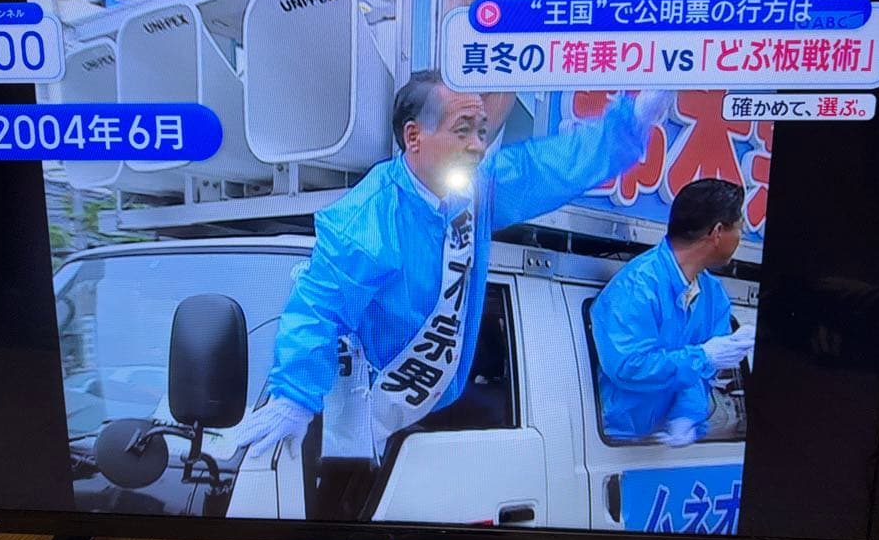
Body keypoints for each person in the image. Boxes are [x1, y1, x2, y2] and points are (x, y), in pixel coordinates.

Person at [232, 70, 673, 461]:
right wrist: (294, 397)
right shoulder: (366, 220)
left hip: (441, 403)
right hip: (370, 420)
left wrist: (631, 122)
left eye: (481, 131)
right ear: (414, 137)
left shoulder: (470, 191)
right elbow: (317, 310)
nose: (478, 146)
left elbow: (547, 168)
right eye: (463, 131)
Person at [592, 179, 756, 447]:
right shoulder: (637, 286)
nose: (742, 236)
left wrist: (686, 415)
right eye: (740, 227)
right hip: (614, 442)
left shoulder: (715, 297)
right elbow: (628, 365)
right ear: (717, 232)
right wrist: (702, 356)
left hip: (665, 447)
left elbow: (702, 375)